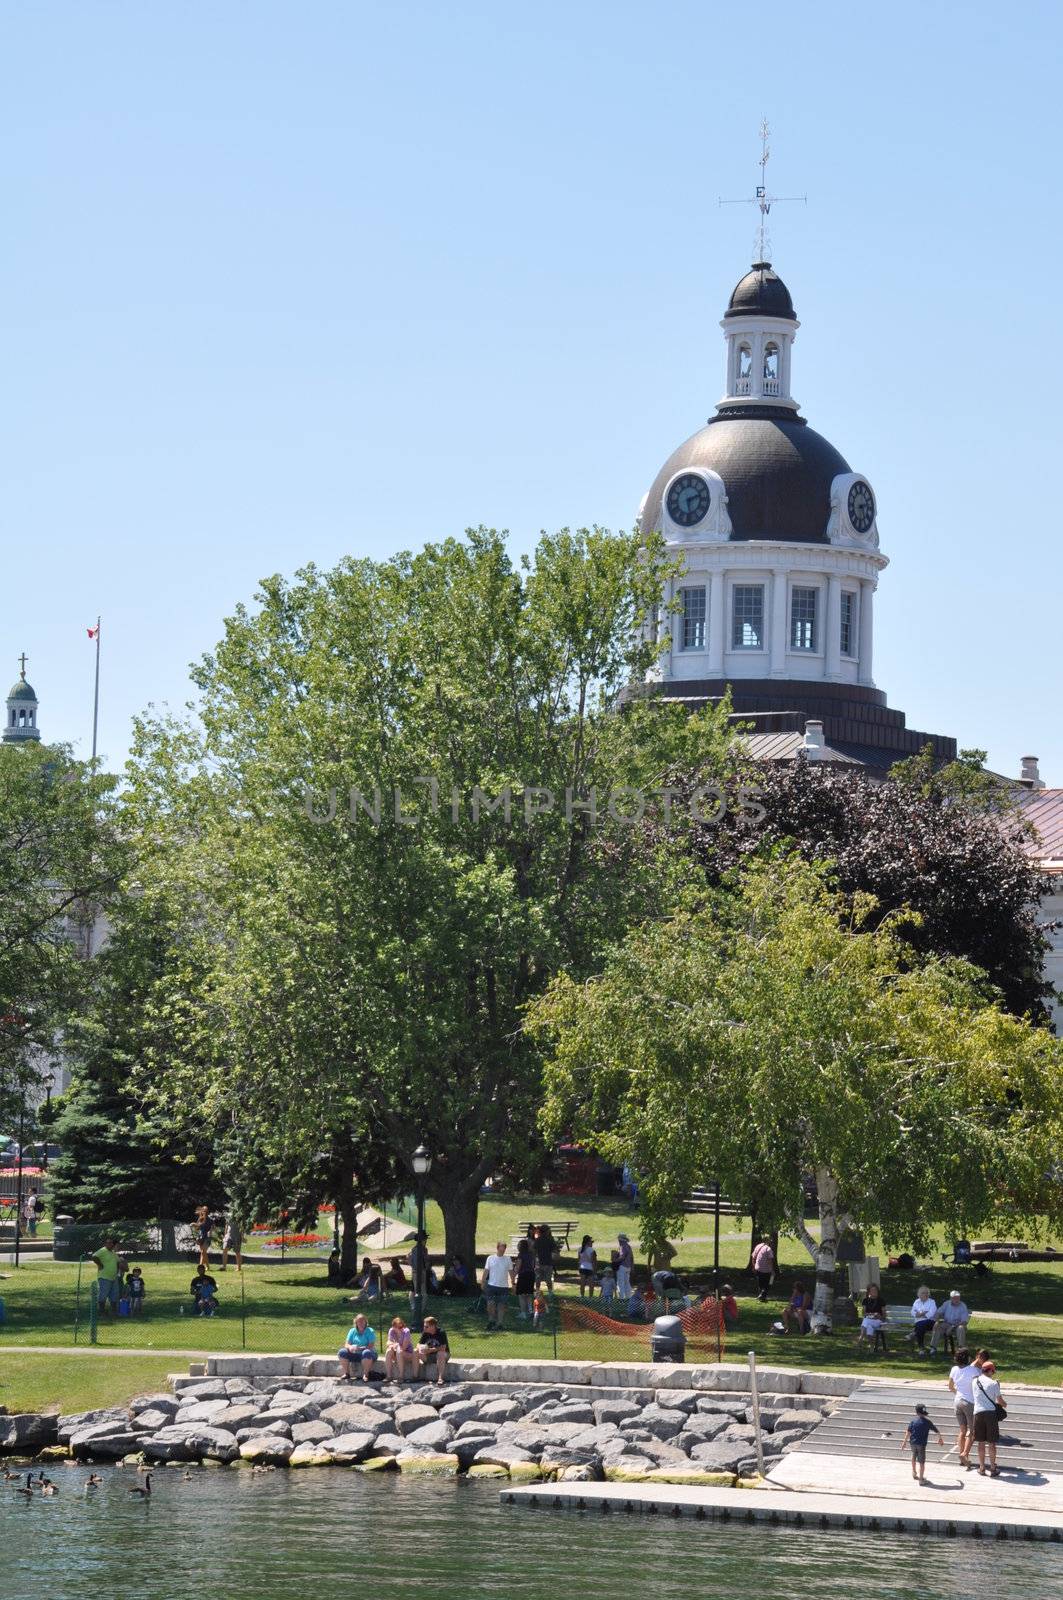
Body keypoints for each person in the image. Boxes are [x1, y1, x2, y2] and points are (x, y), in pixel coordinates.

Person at [972, 1359, 1005, 1476]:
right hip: (990, 1414)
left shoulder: (974, 1381)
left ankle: (981, 1467)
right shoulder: (993, 1383)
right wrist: (1005, 1404)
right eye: (993, 1371)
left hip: (978, 1413)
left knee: (981, 1442)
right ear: (990, 1371)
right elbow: (1000, 1401)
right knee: (992, 1443)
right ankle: (992, 1467)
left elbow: (972, 1366)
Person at [948, 1346, 977, 1468]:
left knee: (962, 1430)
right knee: (972, 1431)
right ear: (968, 1358)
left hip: (957, 1401)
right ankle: (965, 1454)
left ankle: (961, 1455)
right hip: (969, 1402)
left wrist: (958, 1393)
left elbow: (950, 1386)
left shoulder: (954, 1369)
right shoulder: (974, 1371)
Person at [901, 1402, 943, 1485]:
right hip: (921, 1444)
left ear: (916, 1412)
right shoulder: (927, 1422)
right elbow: (937, 1431)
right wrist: (940, 1439)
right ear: (924, 1413)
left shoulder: (913, 1421)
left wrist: (904, 1442)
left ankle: (914, 1472)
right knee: (922, 1462)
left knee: (913, 1456)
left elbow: (908, 1432)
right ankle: (921, 1479)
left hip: (913, 1443)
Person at [337, 1313, 377, 1382]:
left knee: (366, 1352)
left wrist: (359, 1348)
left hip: (369, 1354)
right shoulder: (352, 1331)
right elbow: (346, 1344)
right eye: (359, 1321)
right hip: (355, 1353)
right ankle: (347, 1373)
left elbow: (371, 1346)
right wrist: (350, 1347)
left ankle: (366, 1374)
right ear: (356, 1322)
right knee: (342, 1352)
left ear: (366, 1322)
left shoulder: (370, 1331)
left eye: (362, 1321)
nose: (361, 1323)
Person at [482, 1241, 512, 1330]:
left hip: (503, 1286)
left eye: (504, 1248)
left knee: (501, 1306)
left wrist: (513, 1283)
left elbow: (511, 1272)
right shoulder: (490, 1258)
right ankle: (491, 1321)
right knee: (490, 1304)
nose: (503, 1250)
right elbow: (486, 1270)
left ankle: (500, 1323)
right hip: (491, 1285)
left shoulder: (508, 1259)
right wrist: (483, 1282)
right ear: (497, 1248)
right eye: (501, 1248)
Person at [930, 1289, 970, 1355]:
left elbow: (964, 1321)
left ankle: (961, 1350)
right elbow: (938, 1312)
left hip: (958, 1325)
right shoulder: (946, 1303)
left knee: (961, 1328)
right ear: (951, 1298)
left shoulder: (963, 1306)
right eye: (955, 1298)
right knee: (938, 1327)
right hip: (947, 1324)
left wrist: (952, 1326)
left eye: (958, 1298)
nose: (957, 1299)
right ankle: (933, 1348)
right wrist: (937, 1321)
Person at [89, 1237, 121, 1315]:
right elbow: (94, 1256)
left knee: (114, 1295)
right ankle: (101, 1311)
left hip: (113, 1277)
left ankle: (114, 1311)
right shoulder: (102, 1250)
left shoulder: (113, 1253)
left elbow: (118, 1262)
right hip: (104, 1277)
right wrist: (99, 1264)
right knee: (103, 1294)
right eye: (108, 1243)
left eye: (111, 1243)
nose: (110, 1244)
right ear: (105, 1244)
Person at [416, 1314, 449, 1385]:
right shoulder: (425, 1332)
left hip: (442, 1355)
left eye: (426, 1326)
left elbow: (443, 1347)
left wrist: (430, 1350)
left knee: (440, 1353)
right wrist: (420, 1349)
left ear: (433, 1326)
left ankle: (440, 1378)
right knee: (415, 1351)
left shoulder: (441, 1332)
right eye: (424, 1326)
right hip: (429, 1356)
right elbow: (418, 1344)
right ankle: (415, 1376)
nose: (424, 1328)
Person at [384, 1316, 416, 1382]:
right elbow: (388, 1342)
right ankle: (389, 1376)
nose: (400, 1329)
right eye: (398, 1327)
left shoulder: (406, 1331)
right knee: (388, 1351)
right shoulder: (391, 1330)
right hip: (397, 1354)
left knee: (399, 1351)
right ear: (393, 1326)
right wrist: (392, 1345)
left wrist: (396, 1345)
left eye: (401, 1327)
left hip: (407, 1354)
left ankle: (401, 1376)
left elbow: (403, 1347)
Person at [907, 1286, 938, 1353]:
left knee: (920, 1325)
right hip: (919, 1324)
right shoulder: (916, 1302)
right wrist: (923, 1313)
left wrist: (919, 1315)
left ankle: (920, 1347)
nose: (926, 1294)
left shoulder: (932, 1302)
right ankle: (920, 1346)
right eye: (923, 1293)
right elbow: (912, 1312)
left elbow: (931, 1314)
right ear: (919, 1294)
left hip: (930, 1323)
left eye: (927, 1293)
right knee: (920, 1326)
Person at [513, 1238, 535, 1320]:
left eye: (518, 1245)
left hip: (523, 1275)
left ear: (521, 1247)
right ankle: (530, 1311)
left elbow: (518, 1267)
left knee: (521, 1295)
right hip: (531, 1275)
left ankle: (523, 1313)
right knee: (529, 1294)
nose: (517, 1246)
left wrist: (513, 1276)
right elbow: (533, 1265)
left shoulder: (521, 1255)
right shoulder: (531, 1255)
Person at [533, 1225, 556, 1292]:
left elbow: (534, 1250)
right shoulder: (550, 1240)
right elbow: (554, 1250)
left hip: (539, 1262)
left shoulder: (538, 1240)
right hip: (548, 1262)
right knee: (548, 1280)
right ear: (547, 1231)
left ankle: (537, 1293)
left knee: (538, 1279)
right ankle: (550, 1293)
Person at [616, 1233, 634, 1301]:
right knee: (627, 1283)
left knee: (620, 1283)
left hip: (622, 1266)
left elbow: (622, 1257)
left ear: (620, 1240)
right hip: (628, 1267)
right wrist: (632, 1266)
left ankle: (621, 1299)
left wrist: (615, 1260)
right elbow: (632, 1257)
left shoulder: (622, 1246)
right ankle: (628, 1297)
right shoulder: (628, 1246)